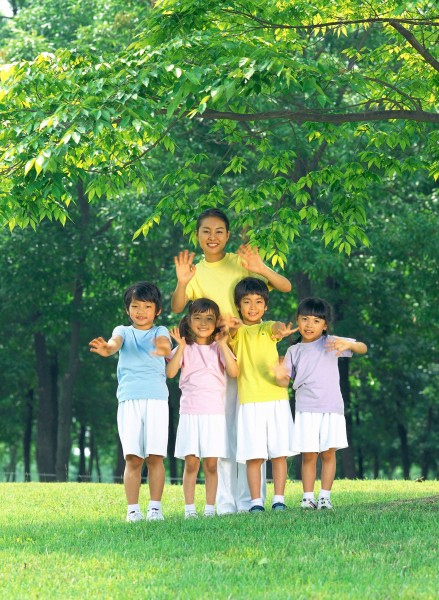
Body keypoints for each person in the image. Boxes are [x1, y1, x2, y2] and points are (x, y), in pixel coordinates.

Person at [171, 207, 292, 514]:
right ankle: (225, 501)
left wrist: (261, 267)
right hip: (217, 357)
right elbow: (176, 307)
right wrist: (182, 283)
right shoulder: (195, 272)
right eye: (206, 231)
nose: (213, 237)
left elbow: (284, 286)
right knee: (222, 431)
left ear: (227, 235)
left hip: (250, 357)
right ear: (197, 235)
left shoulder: (241, 263)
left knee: (248, 430)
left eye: (219, 231)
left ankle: (251, 499)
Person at [89, 281, 172, 523]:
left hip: (156, 399)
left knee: (155, 456)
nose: (141, 311)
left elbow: (166, 345)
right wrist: (107, 349)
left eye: (147, 306)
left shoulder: (160, 331)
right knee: (133, 458)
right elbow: (114, 344)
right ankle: (133, 510)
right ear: (128, 310)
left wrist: (162, 348)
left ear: (157, 311)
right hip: (129, 400)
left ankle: (155, 508)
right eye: (135, 306)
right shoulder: (123, 331)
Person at [274, 297, 367, 510]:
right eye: (305, 319)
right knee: (308, 454)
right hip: (306, 409)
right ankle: (308, 497)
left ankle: (325, 497)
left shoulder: (332, 342)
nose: (309, 325)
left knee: (328, 453)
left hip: (331, 407)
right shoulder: (293, 351)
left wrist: (349, 344)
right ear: (297, 321)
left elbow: (362, 348)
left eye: (316, 320)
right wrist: (278, 369)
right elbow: (282, 381)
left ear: (325, 325)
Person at [226, 277, 297, 513]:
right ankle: (256, 502)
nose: (253, 307)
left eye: (258, 302)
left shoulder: (268, 328)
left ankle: (279, 499)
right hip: (249, 402)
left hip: (276, 399)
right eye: (247, 302)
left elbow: (277, 329)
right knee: (254, 455)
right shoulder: (238, 332)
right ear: (238, 305)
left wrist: (283, 330)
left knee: (279, 454)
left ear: (265, 306)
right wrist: (232, 327)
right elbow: (229, 336)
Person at [166, 298, 238, 518]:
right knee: (191, 463)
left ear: (216, 322)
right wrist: (179, 346)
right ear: (189, 321)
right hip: (190, 413)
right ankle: (189, 510)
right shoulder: (185, 347)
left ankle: (209, 509)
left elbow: (234, 372)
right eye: (197, 318)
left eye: (209, 318)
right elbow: (170, 373)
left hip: (214, 414)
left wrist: (224, 343)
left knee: (211, 464)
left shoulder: (219, 348)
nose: (203, 323)